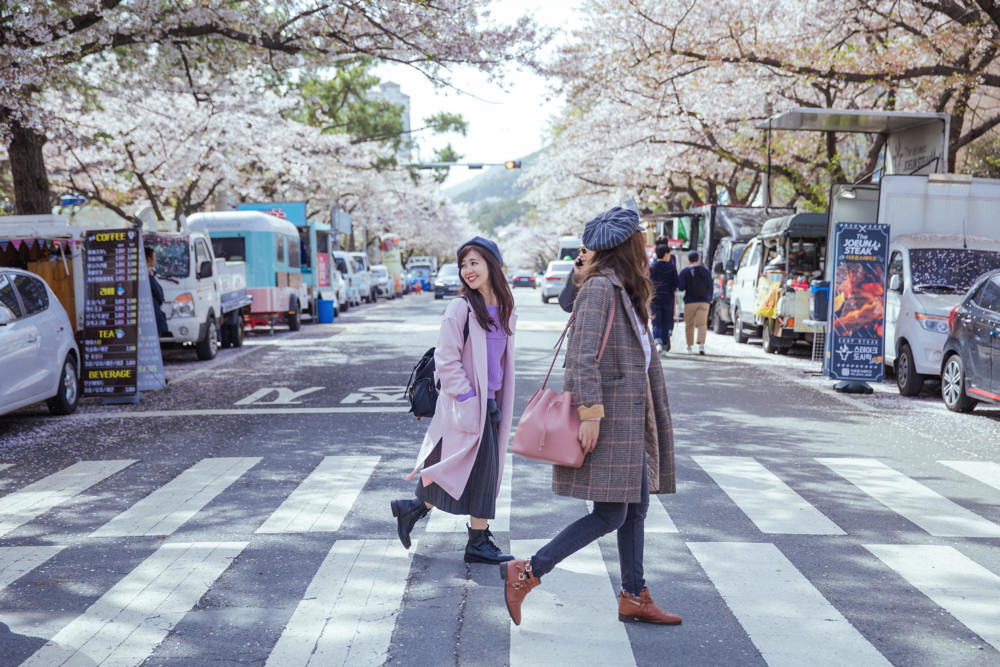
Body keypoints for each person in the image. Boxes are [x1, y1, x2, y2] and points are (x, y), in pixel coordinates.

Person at [499, 207, 679, 627]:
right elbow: (581, 355)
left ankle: (634, 594)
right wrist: (592, 414)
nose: (646, 245)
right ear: (629, 245)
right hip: (610, 418)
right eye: (641, 239)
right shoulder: (601, 287)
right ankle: (527, 571)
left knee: (635, 508)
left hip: (632, 415)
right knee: (612, 513)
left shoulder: (625, 287)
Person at [391, 236, 518, 565]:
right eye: (463, 264)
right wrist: (468, 398)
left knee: (470, 470)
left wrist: (494, 399)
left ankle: (414, 508)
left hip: (491, 401)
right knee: (482, 471)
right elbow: (446, 360)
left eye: (474, 263)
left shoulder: (505, 307)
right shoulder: (460, 308)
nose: (467, 270)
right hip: (467, 404)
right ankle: (476, 540)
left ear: (493, 264)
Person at [678, 250, 712, 355]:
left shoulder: (685, 272)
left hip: (690, 301)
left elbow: (681, 287)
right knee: (702, 324)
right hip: (704, 301)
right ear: (698, 259)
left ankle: (689, 347)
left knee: (689, 324)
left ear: (688, 260)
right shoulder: (706, 270)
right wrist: (709, 298)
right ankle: (701, 345)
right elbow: (710, 285)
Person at [649, 244, 678, 354]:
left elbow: (647, 283)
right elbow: (676, 283)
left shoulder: (651, 267)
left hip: (654, 298)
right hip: (668, 298)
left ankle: (657, 342)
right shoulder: (671, 268)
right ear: (666, 254)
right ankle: (665, 345)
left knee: (656, 321)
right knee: (666, 321)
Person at [558, 244, 592, 313]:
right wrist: (576, 273)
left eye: (584, 251)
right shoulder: (580, 273)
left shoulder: (600, 278)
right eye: (580, 251)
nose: (580, 255)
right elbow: (566, 304)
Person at [145, 246, 169, 336]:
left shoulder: (151, 273)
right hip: (154, 314)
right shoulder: (147, 275)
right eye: (154, 257)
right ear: (148, 259)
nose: (155, 259)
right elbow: (159, 294)